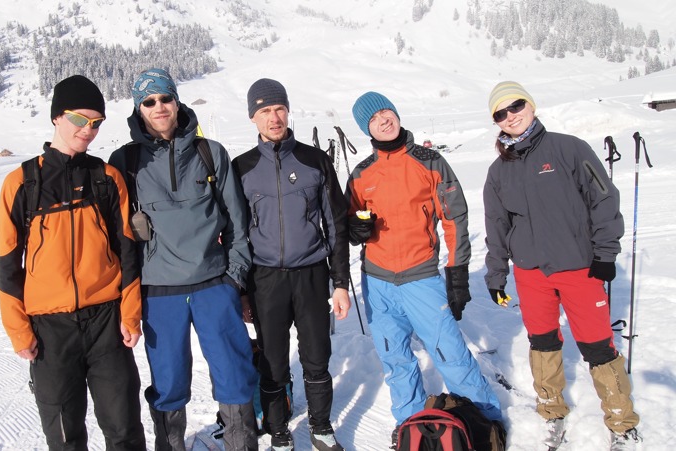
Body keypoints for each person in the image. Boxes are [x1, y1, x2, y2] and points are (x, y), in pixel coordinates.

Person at [483, 81, 641, 450]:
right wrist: (496, 273)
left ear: (530, 105)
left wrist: (605, 253)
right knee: (542, 342)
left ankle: (621, 421)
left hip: (578, 266)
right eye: (501, 113)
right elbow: (497, 226)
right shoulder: (498, 171)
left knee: (598, 345)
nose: (511, 116)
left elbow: (604, 198)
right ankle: (551, 410)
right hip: (530, 272)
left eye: (516, 106)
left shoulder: (569, 148)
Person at [108, 69, 258, 451]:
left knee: (233, 375)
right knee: (168, 383)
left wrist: (234, 279)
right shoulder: (124, 161)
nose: (159, 107)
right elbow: (117, 237)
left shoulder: (211, 153)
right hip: (159, 293)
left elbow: (237, 223)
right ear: (139, 109)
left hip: (214, 285)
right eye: (149, 101)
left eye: (165, 98)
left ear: (177, 101)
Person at [0, 75, 146, 450]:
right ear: (56, 117)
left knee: (125, 429)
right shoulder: (22, 183)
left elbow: (127, 251)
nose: (88, 130)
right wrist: (19, 330)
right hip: (50, 330)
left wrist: (130, 315)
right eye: (80, 119)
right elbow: (8, 264)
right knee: (64, 436)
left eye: (96, 122)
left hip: (106, 323)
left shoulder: (106, 178)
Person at [346, 91, 503, 448]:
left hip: (421, 277)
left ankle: (485, 420)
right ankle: (410, 425)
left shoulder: (430, 161)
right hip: (377, 281)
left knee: (449, 353)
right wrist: (356, 229)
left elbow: (454, 218)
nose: (383, 120)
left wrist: (457, 272)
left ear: (396, 113)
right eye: (374, 119)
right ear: (366, 129)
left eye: (386, 112)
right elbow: (349, 222)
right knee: (395, 358)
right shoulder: (361, 173)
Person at [232, 79, 351, 451]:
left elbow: (336, 223)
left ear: (288, 111)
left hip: (311, 274)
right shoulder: (242, 168)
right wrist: (241, 291)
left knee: (317, 355)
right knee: (272, 360)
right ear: (253, 117)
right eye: (265, 110)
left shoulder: (315, 161)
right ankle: (278, 429)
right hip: (265, 278)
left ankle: (321, 425)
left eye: (279, 109)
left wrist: (340, 283)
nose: (274, 117)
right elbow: (235, 233)